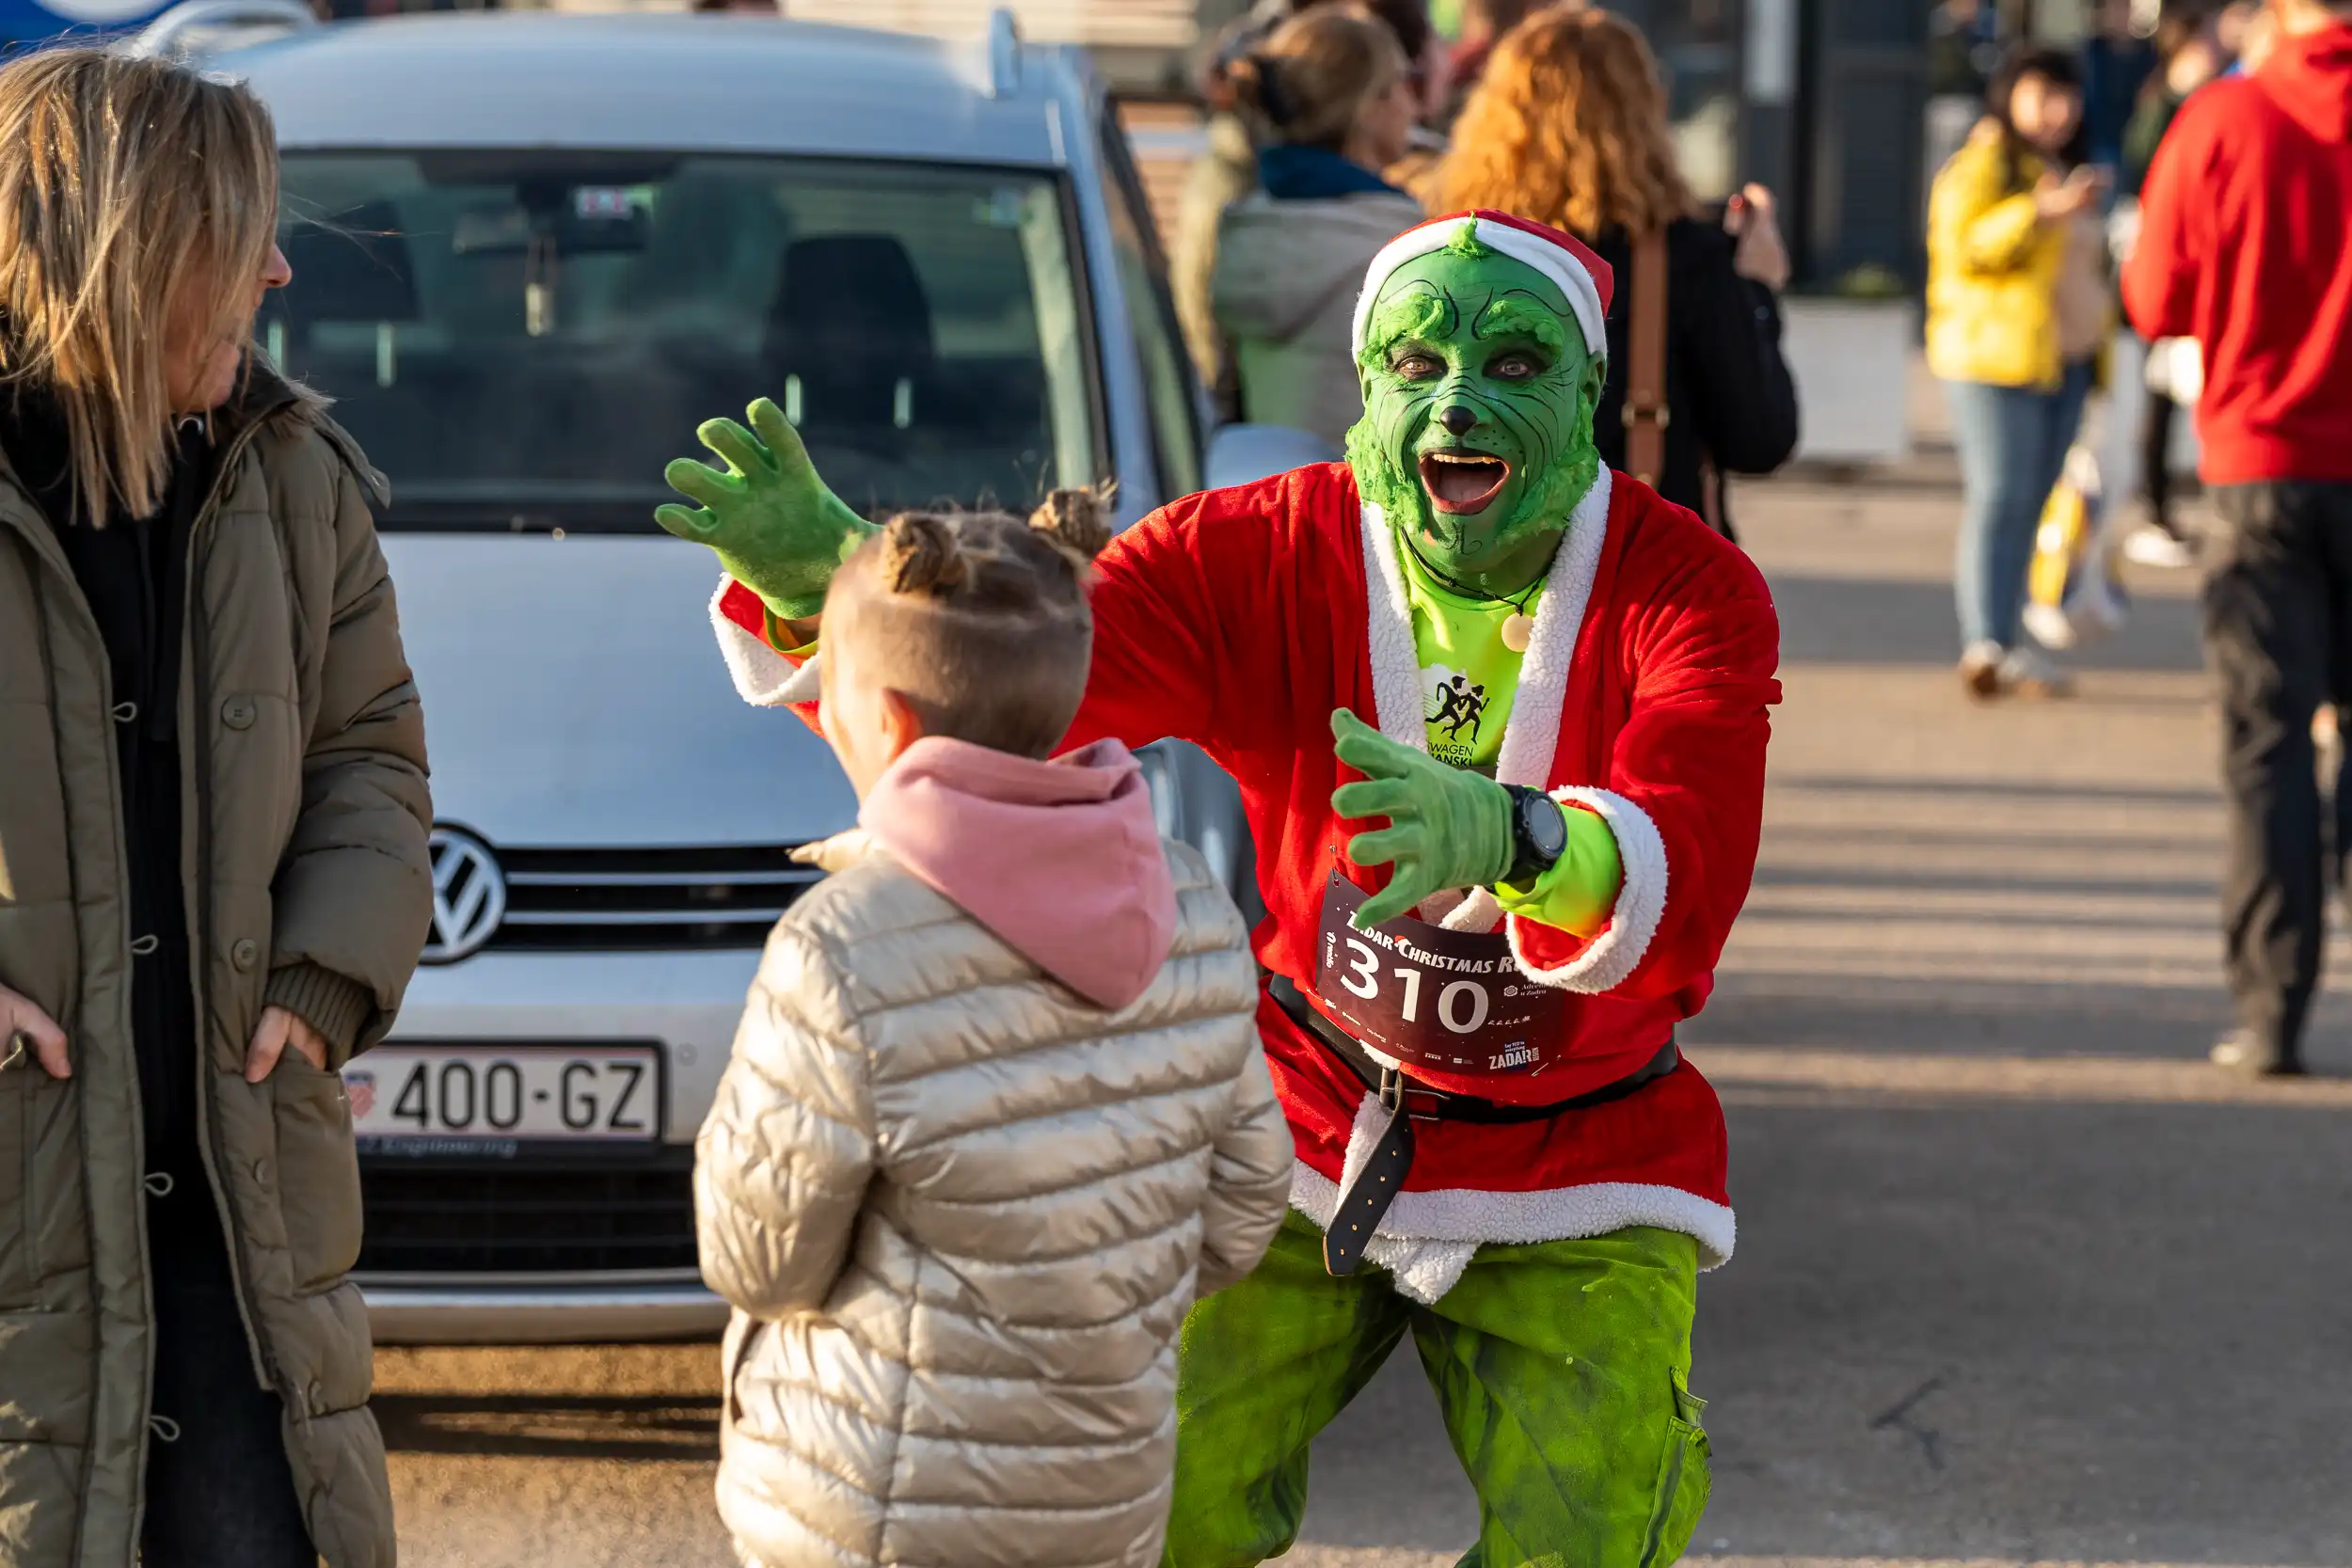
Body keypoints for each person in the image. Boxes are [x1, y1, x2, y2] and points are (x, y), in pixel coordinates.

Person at [663, 206, 1776, 1562]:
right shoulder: (1260, 547)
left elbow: (1692, 844)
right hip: (1318, 1116)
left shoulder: (1691, 589)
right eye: (1416, 367)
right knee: (1158, 1497)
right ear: (1365, 386)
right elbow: (1033, 686)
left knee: (1598, 1523)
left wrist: (1514, 837)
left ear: (1590, 392)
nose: (1459, 403)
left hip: (1583, 1153)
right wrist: (839, 580)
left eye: (1518, 366)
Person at [0, 48, 430, 1568]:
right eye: (238, 232)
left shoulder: (299, 479)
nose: (278, 265)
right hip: (22, 1219)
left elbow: (370, 753)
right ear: (129, 249)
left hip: (242, 1222)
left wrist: (320, 980)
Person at [692, 494, 1293, 1567]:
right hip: (1101, 1498)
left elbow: (760, 1256)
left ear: (883, 721)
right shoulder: (1194, 909)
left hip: (872, 1500)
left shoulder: (842, 944)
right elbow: (1245, 1207)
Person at [2123, 0, 2352, 1076]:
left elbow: (2153, 294)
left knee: (2267, 743)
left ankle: (2271, 1015)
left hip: (2260, 459)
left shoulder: (2224, 118)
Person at [1435, 8, 1799, 537]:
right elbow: (1760, 441)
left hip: (1484, 572)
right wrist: (1758, 289)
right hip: (1647, 580)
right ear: (1646, 113)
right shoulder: (1686, 257)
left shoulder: (1451, 250)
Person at [1927, 45, 2107, 698]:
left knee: (2030, 503)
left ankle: (2007, 638)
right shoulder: (1982, 165)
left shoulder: (2060, 168)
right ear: (2009, 97)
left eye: (2067, 96)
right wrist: (2041, 212)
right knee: (1999, 497)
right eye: (2041, 95)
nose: (2057, 111)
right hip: (1990, 360)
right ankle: (1986, 642)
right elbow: (1964, 246)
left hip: (2062, 361)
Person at [1171, 0, 1438, 404]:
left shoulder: (1246, 224)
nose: (1412, 104)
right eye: (1404, 82)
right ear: (1369, 108)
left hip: (1276, 465)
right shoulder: (1397, 247)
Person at [2117, 1, 2224, 567]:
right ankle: (2157, 507)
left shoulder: (2209, 104)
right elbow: (2148, 190)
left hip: (2194, 280)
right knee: (2161, 398)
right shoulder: (2170, 108)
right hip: (2177, 274)